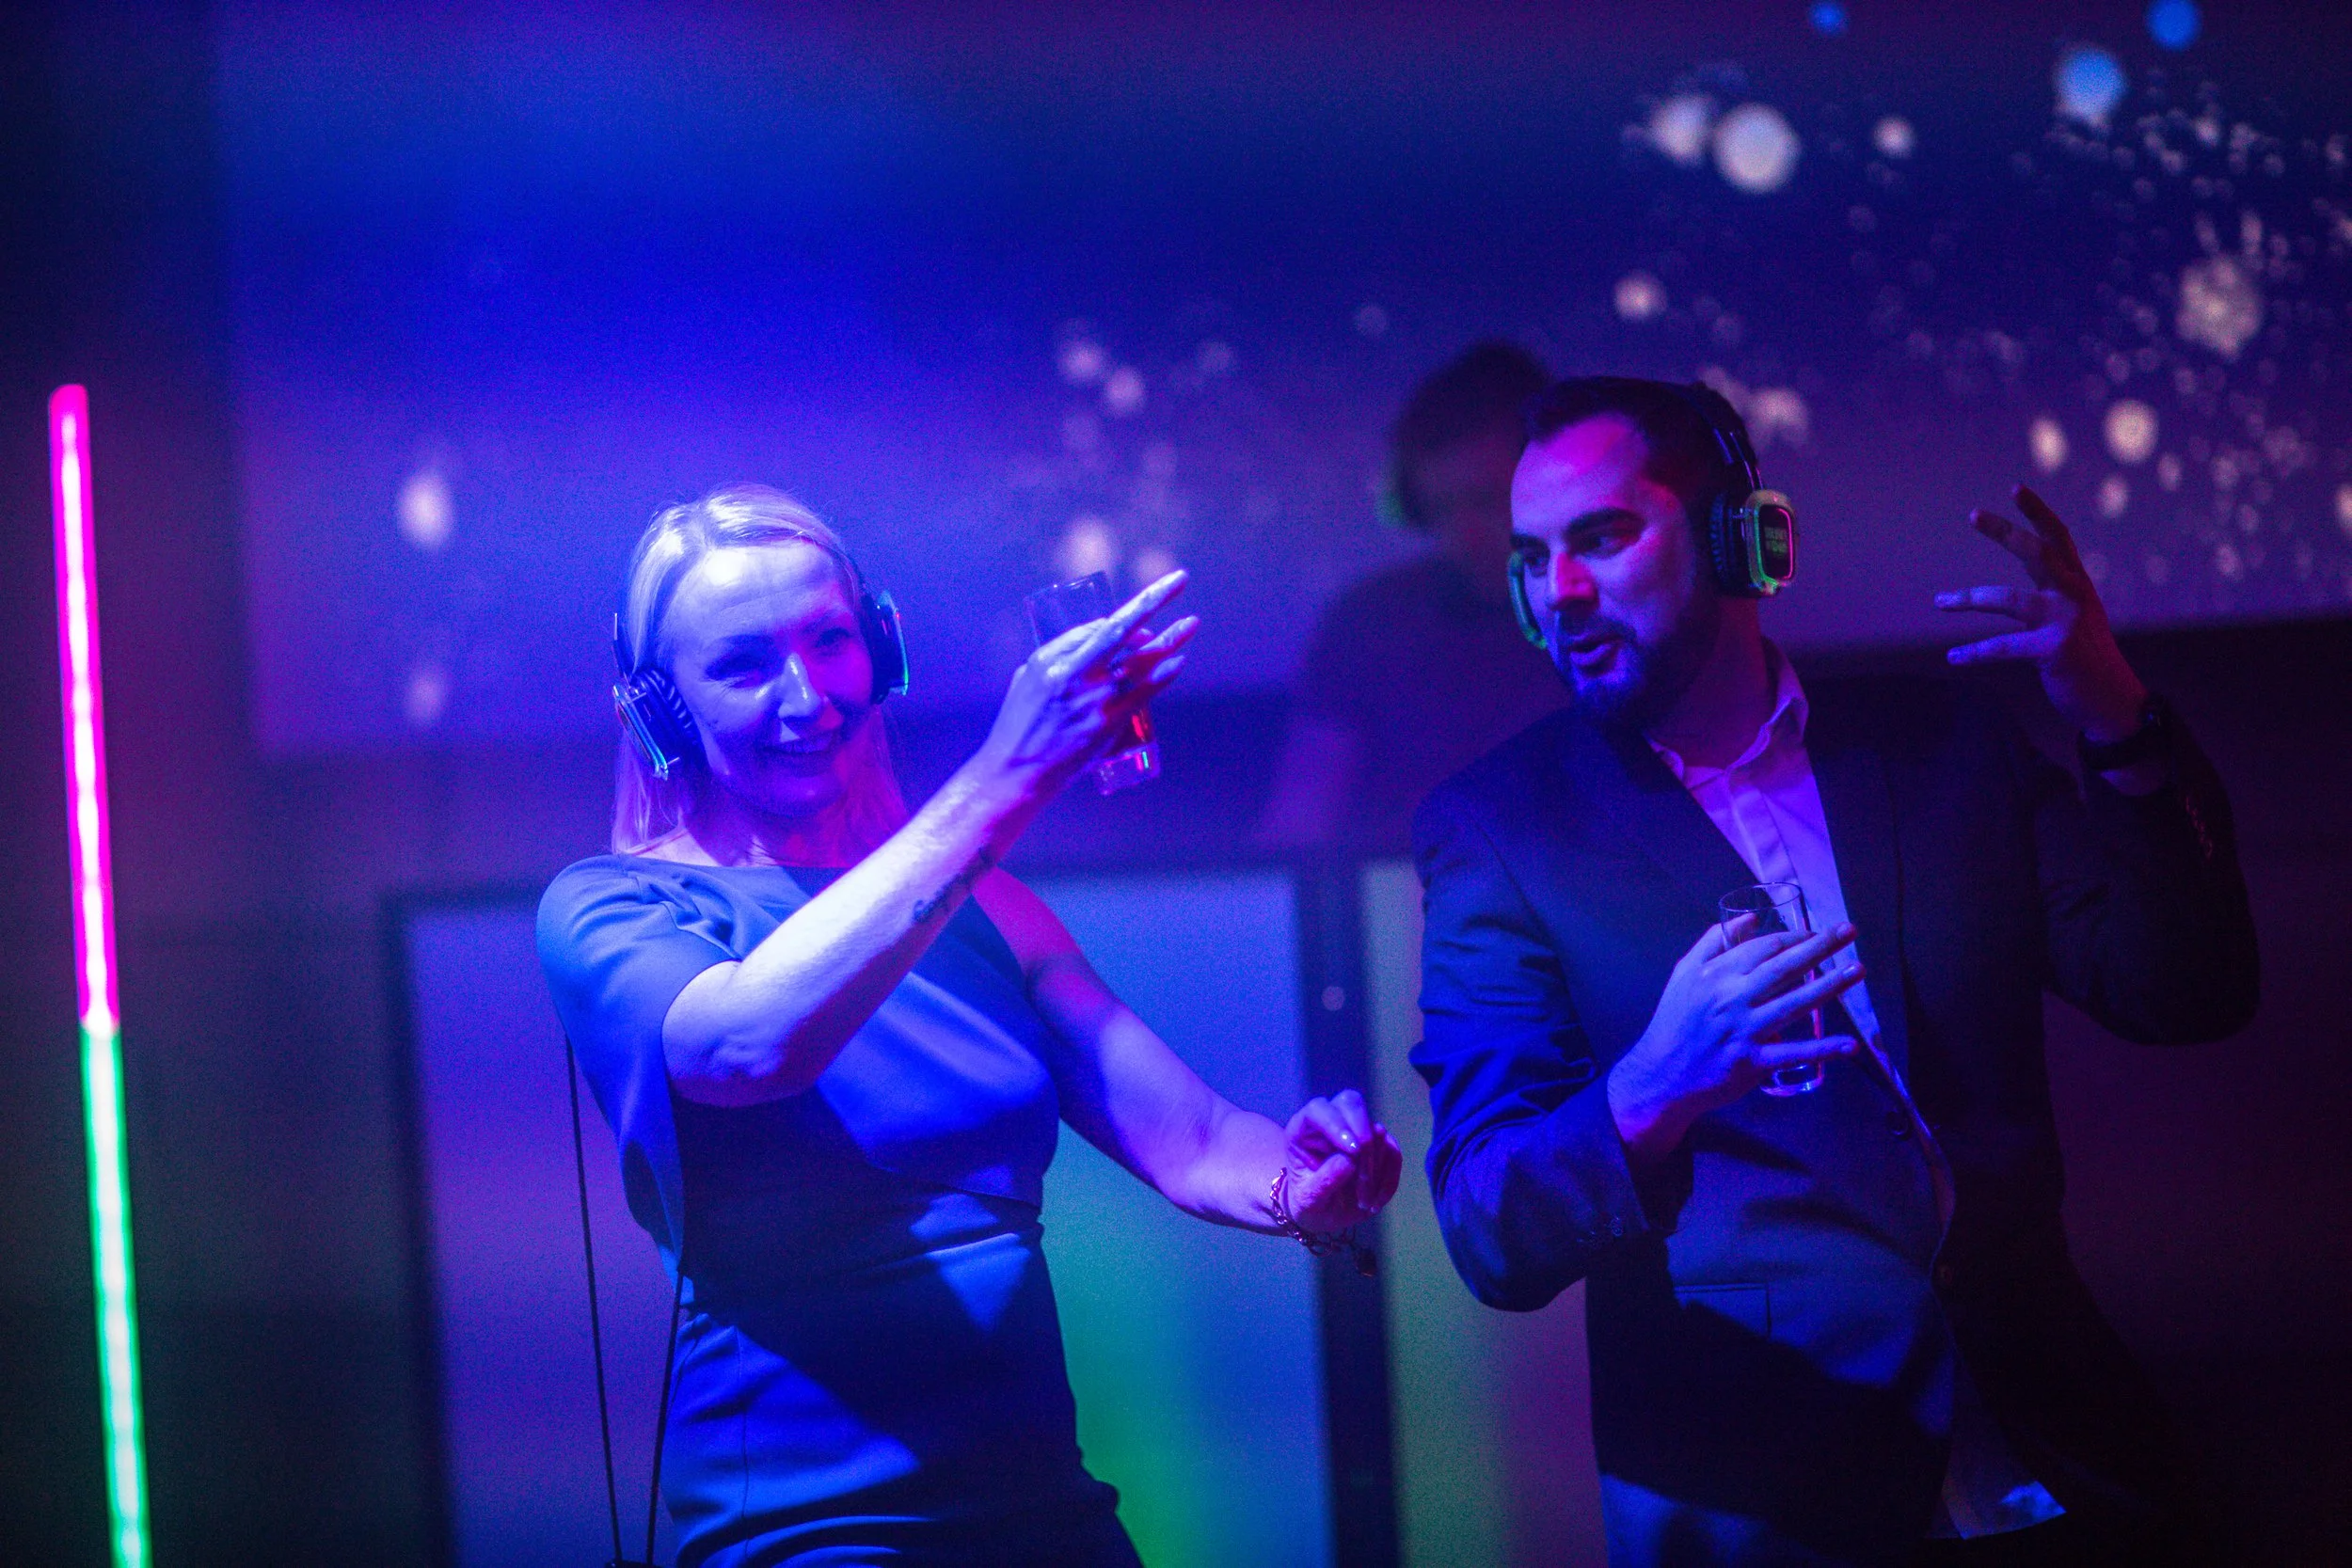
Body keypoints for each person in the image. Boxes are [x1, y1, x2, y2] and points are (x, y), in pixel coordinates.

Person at [1410, 379, 2258, 1566]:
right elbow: (1486, 1225)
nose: (1560, 592)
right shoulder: (1505, 829)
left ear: (1736, 538)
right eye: (1533, 558)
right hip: (1765, 1501)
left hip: (2059, 1452)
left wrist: (2113, 713)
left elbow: (2189, 989)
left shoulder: (1940, 746)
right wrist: (1651, 1087)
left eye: (1602, 536)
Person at [539, 484, 1403, 1567]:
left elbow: (1193, 1138)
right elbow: (748, 1042)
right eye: (744, 666)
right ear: (659, 709)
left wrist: (1300, 1181)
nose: (806, 697)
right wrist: (1007, 772)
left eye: (830, 640)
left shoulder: (984, 905)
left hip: (1046, 1514)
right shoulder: (613, 906)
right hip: (811, 1531)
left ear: (881, 649)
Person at [1258, 341, 1565, 853]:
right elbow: (1297, 827)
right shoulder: (1366, 626)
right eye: (1442, 509)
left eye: (1486, 501)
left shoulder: (1606, 617)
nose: (1463, 534)